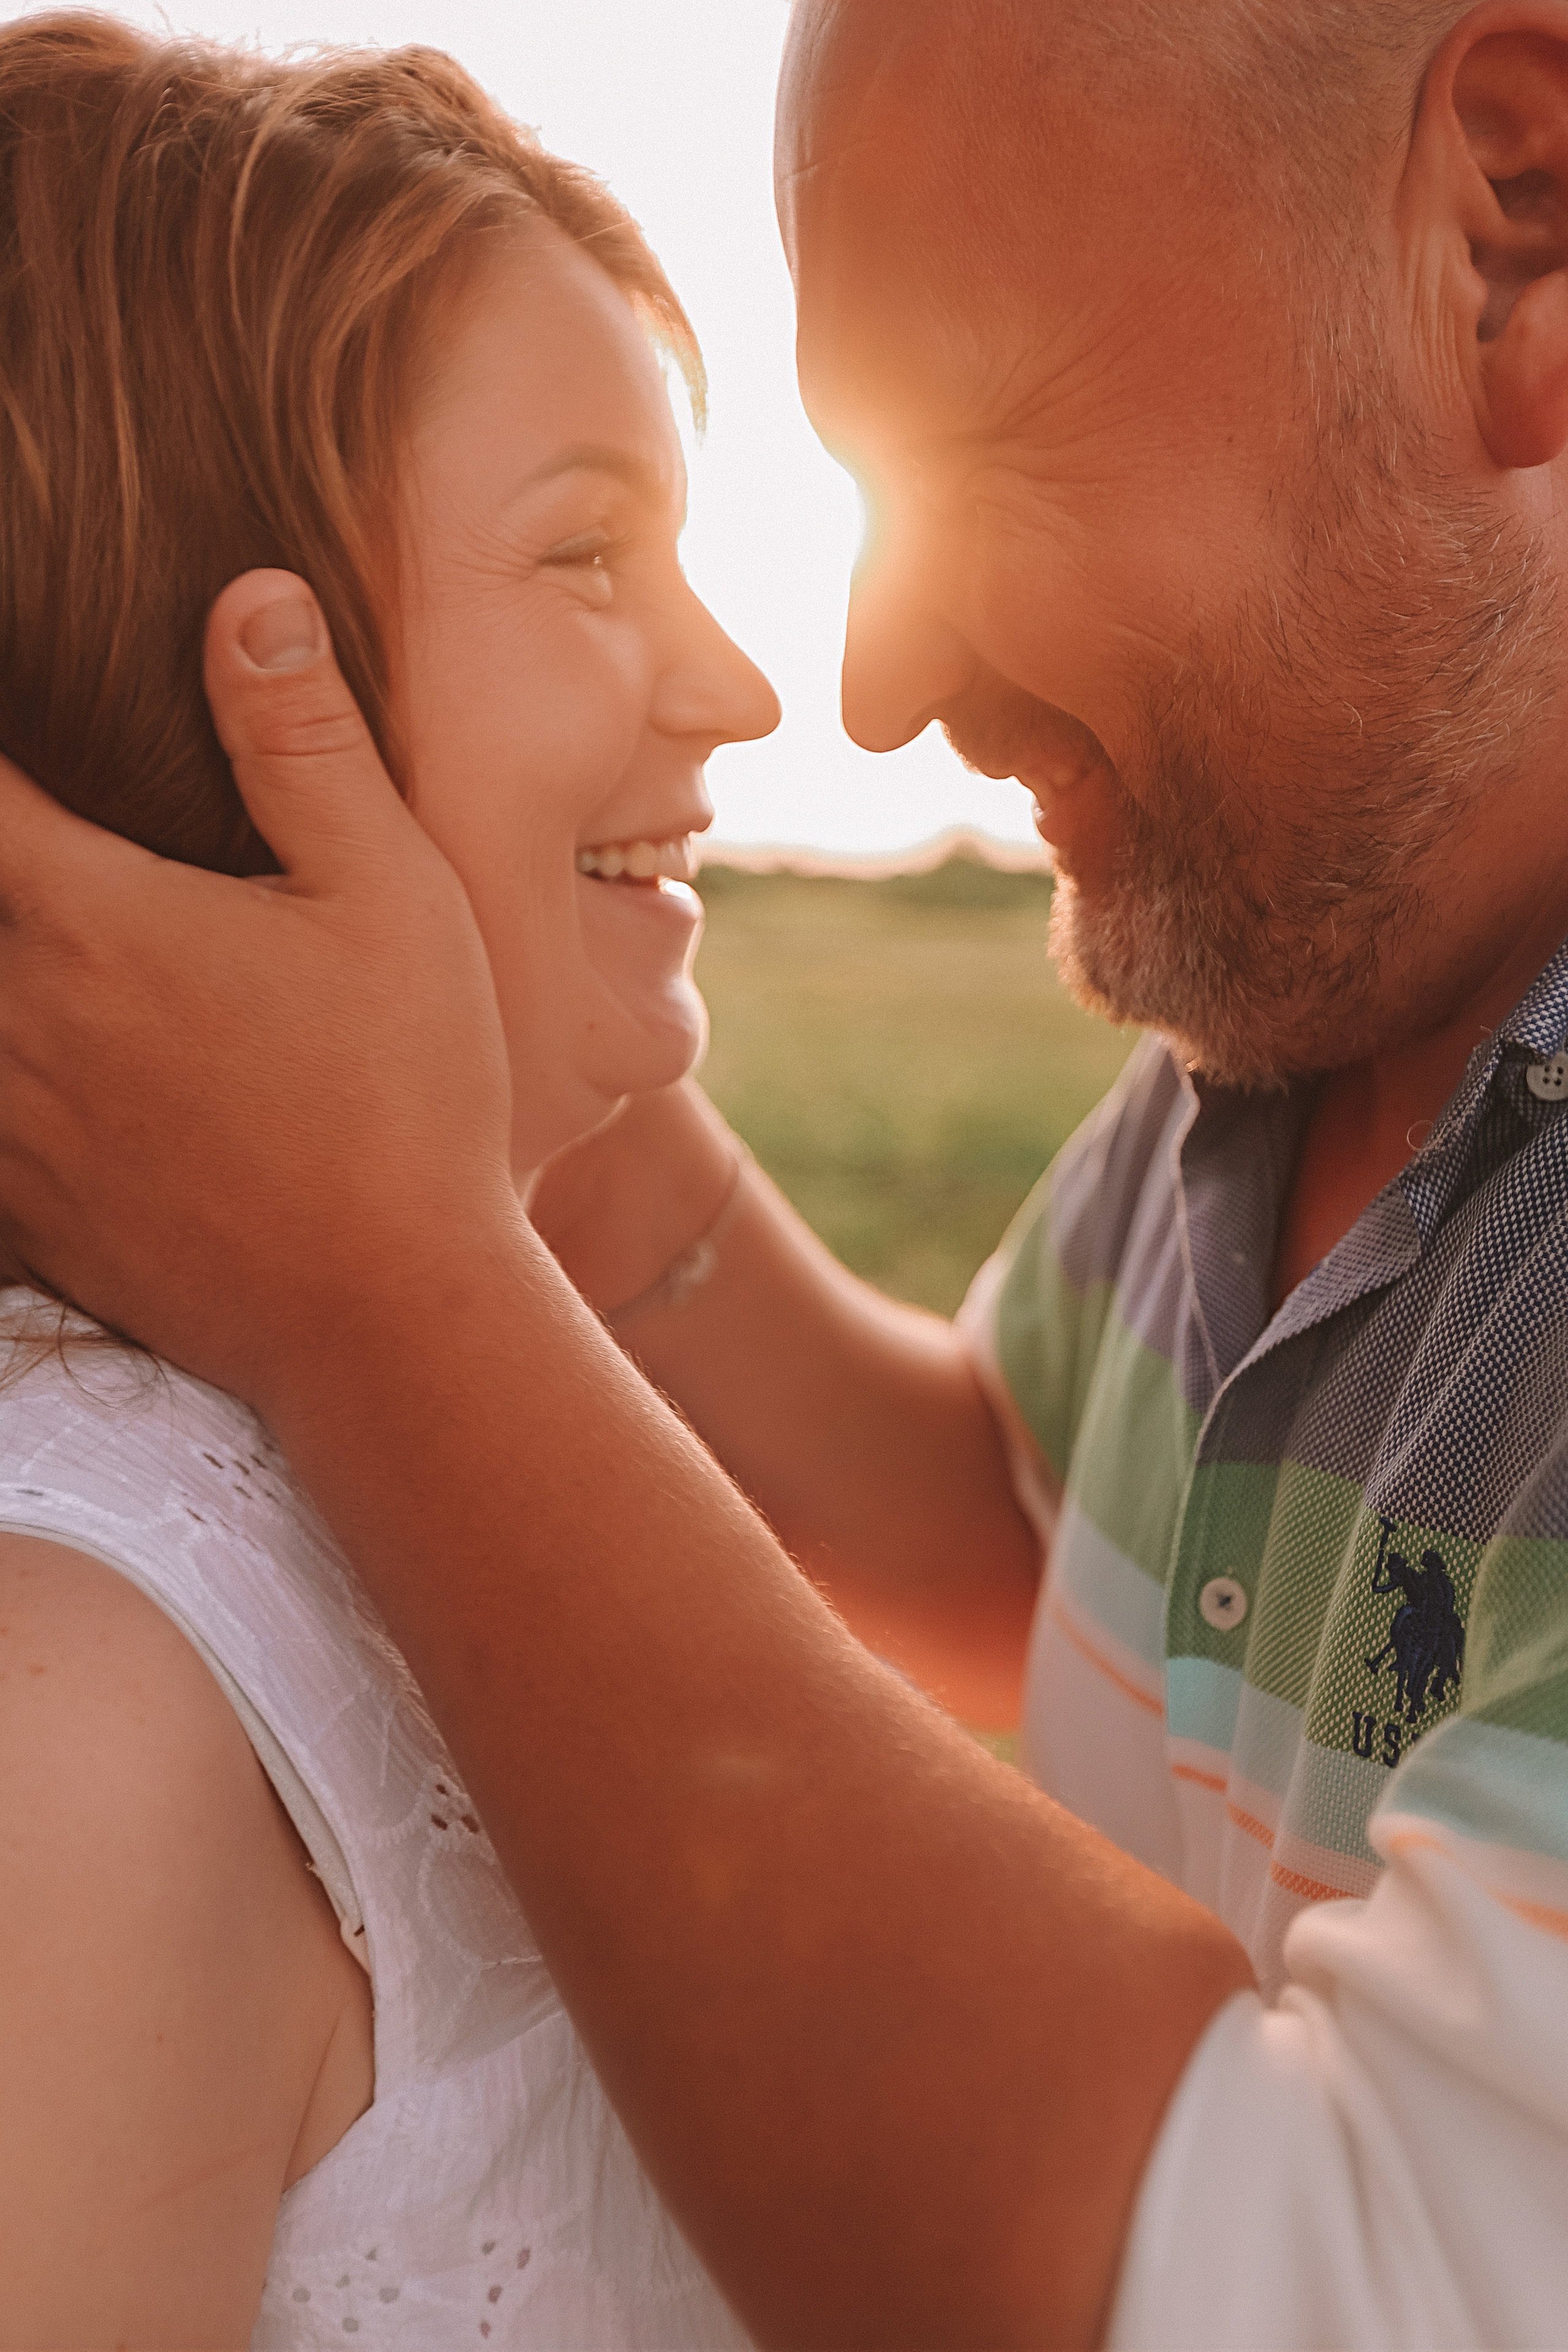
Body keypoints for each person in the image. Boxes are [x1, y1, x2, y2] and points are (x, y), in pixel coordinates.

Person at [1, 0, 1566, 2343]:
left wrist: (389, 1275)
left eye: (992, 437)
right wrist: (482, 1043)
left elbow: (1324, 2269)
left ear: (1511, 236)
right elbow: (1013, 1539)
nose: (843, 687)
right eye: (585, 551)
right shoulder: (1292, 1022)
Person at [0, 17, 778, 2347]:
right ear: (218, 680)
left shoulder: (431, 1422)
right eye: (589, 555)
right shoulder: (81, 1702)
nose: (737, 689)